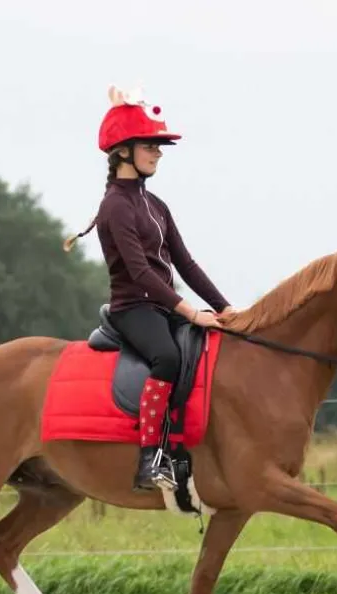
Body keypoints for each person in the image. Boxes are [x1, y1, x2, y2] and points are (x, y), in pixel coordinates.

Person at [65, 85, 234, 492]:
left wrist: (225, 308)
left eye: (159, 147)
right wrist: (190, 312)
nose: (158, 153)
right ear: (124, 150)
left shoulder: (156, 205)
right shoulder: (115, 206)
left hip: (161, 306)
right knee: (167, 357)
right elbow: (141, 274)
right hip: (133, 308)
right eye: (151, 146)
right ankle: (151, 459)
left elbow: (185, 264)